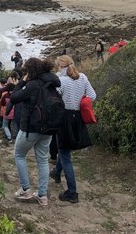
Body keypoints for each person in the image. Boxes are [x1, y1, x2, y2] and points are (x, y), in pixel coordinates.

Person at [10, 57, 61, 206]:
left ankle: (26, 189)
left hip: (31, 128)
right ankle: (42, 195)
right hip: (48, 128)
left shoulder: (32, 85)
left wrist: (22, 82)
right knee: (43, 160)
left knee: (19, 155)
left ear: (30, 71)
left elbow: (14, 97)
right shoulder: (51, 83)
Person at [50, 55, 96, 204]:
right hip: (77, 118)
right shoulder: (82, 77)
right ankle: (56, 173)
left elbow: (53, 99)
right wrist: (80, 100)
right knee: (65, 150)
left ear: (60, 67)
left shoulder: (61, 81)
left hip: (64, 118)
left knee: (64, 153)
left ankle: (72, 192)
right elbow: (92, 96)